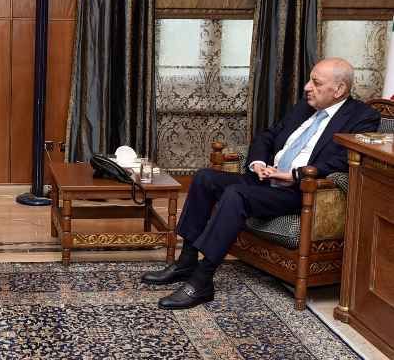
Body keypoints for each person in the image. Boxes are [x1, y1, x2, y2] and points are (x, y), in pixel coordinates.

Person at [141, 57, 380, 310]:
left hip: (298, 190)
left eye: (316, 83)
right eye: (310, 80)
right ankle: (186, 261)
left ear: (339, 89)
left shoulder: (362, 117)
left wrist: (294, 175)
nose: (307, 87)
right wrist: (257, 163)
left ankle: (202, 280)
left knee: (236, 195)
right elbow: (268, 135)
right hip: (266, 180)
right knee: (204, 178)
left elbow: (345, 161)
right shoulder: (306, 107)